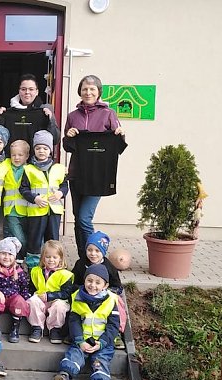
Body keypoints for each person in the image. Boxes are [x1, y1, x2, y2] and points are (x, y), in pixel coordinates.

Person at [62, 74, 127, 257]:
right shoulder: (73, 116)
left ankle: (96, 256)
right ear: (80, 91)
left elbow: (118, 147)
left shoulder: (108, 114)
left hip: (98, 176)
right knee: (78, 219)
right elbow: (67, 147)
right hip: (76, 173)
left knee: (84, 218)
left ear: (99, 92)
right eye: (85, 89)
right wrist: (69, 136)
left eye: (92, 89)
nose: (88, 92)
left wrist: (120, 134)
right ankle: (83, 258)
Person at [53, 264, 123, 380]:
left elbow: (113, 326)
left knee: (100, 362)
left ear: (105, 285)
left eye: (98, 282)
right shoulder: (77, 297)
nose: (93, 285)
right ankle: (63, 377)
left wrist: (101, 342)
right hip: (82, 340)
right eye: (89, 280)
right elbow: (74, 322)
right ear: (84, 280)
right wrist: (80, 340)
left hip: (103, 343)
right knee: (74, 355)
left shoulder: (111, 300)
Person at [20, 130, 67, 269]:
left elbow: (65, 185)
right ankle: (33, 268)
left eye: (45, 148)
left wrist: (60, 193)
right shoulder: (28, 169)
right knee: (34, 241)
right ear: (34, 150)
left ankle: (54, 267)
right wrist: (35, 198)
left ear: (50, 150)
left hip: (54, 211)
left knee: (53, 241)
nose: (41, 151)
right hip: (36, 212)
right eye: (38, 148)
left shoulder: (59, 168)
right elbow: (23, 189)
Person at [71, 231, 127, 348]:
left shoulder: (109, 266)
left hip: (103, 297)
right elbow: (73, 282)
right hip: (83, 295)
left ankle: (117, 334)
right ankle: (71, 333)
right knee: (71, 303)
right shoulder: (80, 264)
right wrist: (82, 289)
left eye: (97, 251)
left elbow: (117, 286)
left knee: (118, 304)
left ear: (103, 251)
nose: (93, 254)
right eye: (89, 250)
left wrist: (108, 292)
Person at [0, 73, 59, 155]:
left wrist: (50, 119)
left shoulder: (44, 112)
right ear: (19, 91)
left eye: (31, 89)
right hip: (13, 160)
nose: (27, 92)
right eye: (23, 89)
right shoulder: (7, 113)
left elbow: (55, 139)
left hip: (35, 160)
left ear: (37, 92)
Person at [0, 237, 31, 343]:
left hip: (12, 299)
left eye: (10, 254)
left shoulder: (19, 271)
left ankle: (15, 327)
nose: (6, 257)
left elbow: (24, 288)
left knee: (20, 301)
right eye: (3, 254)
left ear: (14, 257)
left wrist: (25, 300)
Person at [26, 240, 74, 344]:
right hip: (40, 300)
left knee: (60, 306)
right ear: (43, 258)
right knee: (32, 301)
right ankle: (37, 327)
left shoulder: (65, 274)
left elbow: (66, 293)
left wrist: (49, 296)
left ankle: (55, 329)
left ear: (60, 258)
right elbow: (31, 288)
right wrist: (31, 295)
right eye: (48, 257)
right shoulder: (35, 271)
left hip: (56, 300)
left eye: (55, 257)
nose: (51, 260)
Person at [2, 140, 31, 261]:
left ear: (27, 156)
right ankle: (22, 258)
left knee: (26, 237)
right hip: (10, 210)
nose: (16, 158)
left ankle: (20, 260)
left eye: (20, 155)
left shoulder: (30, 169)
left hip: (26, 210)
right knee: (20, 238)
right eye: (13, 155)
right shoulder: (6, 166)